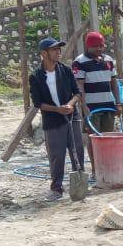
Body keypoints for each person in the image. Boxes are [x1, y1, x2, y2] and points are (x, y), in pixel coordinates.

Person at [29, 37, 84, 201]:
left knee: (77, 152)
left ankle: (79, 187)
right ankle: (56, 189)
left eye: (59, 49)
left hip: (72, 117)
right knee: (56, 156)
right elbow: (38, 103)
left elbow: (77, 93)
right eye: (54, 49)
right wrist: (57, 109)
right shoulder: (36, 76)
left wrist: (71, 104)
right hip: (52, 121)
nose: (58, 52)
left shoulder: (65, 70)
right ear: (44, 54)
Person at [72, 31, 120, 178]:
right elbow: (80, 87)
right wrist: (84, 108)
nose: (100, 48)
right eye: (96, 46)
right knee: (94, 139)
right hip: (92, 108)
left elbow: (114, 83)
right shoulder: (79, 62)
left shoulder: (108, 60)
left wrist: (118, 103)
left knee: (108, 138)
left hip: (108, 106)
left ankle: (109, 168)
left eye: (102, 45)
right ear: (88, 46)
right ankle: (96, 170)